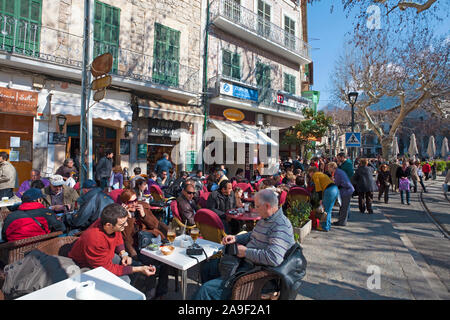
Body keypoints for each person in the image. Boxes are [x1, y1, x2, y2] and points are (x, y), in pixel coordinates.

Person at [194, 189, 295, 300]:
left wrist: (245, 252)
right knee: (207, 268)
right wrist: (236, 238)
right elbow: (254, 234)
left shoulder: (281, 226)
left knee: (206, 290)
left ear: (267, 206)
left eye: (256, 206)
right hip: (245, 264)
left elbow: (274, 258)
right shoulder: (266, 218)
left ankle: (217, 292)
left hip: (257, 274)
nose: (255, 209)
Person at [68, 203, 157, 287]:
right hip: (86, 265)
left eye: (126, 222)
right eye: (122, 224)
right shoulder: (95, 239)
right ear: (108, 225)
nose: (126, 225)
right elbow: (108, 268)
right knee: (125, 279)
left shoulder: (111, 224)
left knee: (133, 265)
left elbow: (118, 236)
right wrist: (140, 269)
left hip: (105, 256)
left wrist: (124, 254)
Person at [119, 190, 169, 299]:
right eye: (130, 202)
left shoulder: (142, 207)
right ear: (124, 204)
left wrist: (144, 215)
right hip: (136, 248)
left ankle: (161, 293)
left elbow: (155, 225)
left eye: (135, 200)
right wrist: (129, 217)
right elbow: (127, 238)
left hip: (151, 243)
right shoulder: (121, 216)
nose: (134, 204)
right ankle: (150, 295)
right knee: (152, 264)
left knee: (166, 262)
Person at [1, 188, 66, 242]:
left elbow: (4, 235)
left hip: (13, 251)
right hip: (41, 249)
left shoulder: (11, 216)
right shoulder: (46, 213)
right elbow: (61, 228)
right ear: (38, 200)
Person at [308, 167, 339, 231]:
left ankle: (325, 227)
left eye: (309, 173)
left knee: (326, 210)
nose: (309, 175)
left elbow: (318, 189)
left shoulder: (315, 175)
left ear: (311, 172)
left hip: (329, 190)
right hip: (335, 189)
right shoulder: (321, 174)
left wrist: (320, 199)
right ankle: (328, 226)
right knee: (329, 210)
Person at [327, 162, 354, 227]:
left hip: (346, 190)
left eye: (329, 167)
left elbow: (337, 183)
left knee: (344, 207)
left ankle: (342, 222)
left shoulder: (338, 173)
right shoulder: (338, 172)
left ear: (332, 167)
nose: (328, 169)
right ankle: (341, 221)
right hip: (346, 190)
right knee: (343, 207)